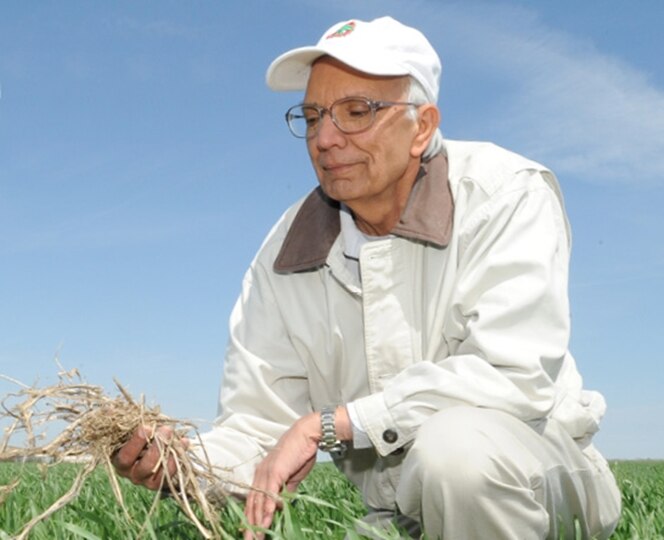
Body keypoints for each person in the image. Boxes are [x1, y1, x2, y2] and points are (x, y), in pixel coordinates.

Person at [114, 16, 622, 539]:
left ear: (421, 126)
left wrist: (329, 423)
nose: (325, 139)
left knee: (458, 452)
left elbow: (512, 374)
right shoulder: (284, 252)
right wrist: (182, 464)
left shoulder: (504, 194)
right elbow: (259, 426)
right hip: (394, 515)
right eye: (312, 117)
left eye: (356, 112)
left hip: (541, 480)